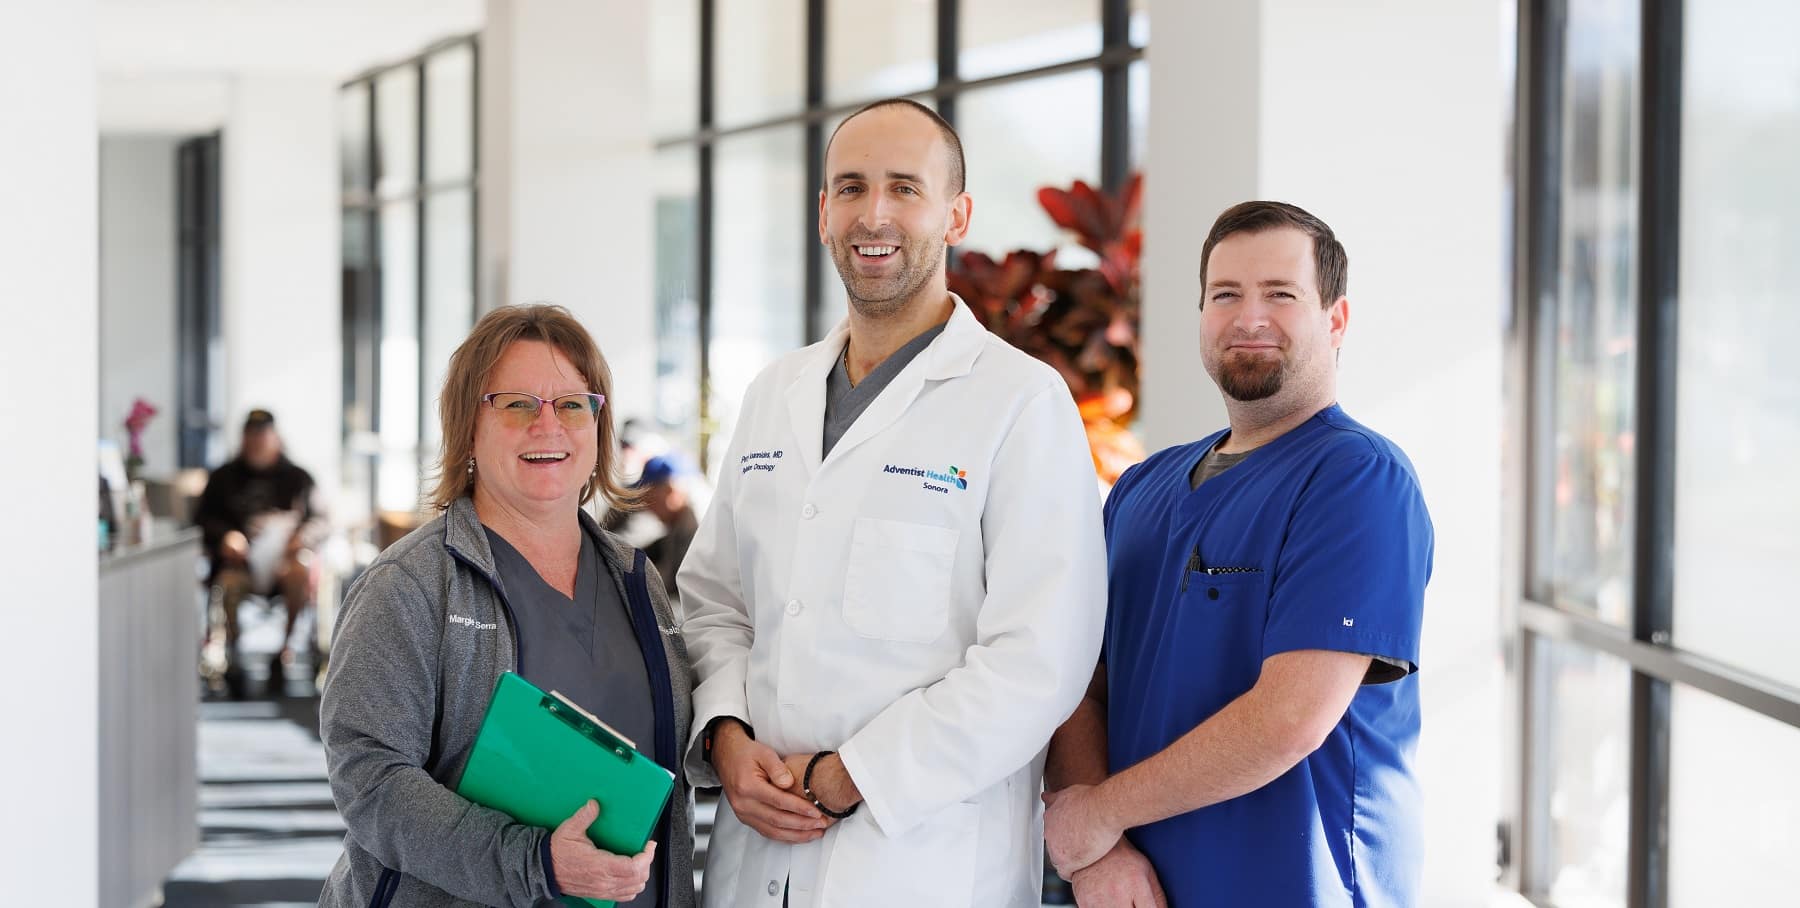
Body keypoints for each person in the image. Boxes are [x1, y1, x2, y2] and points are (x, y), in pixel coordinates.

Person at [679, 97, 1107, 907]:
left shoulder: (1020, 401)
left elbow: (1039, 660)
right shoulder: (775, 391)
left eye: (905, 188)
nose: (873, 214)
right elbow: (714, 602)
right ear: (823, 214)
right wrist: (727, 738)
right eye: (851, 188)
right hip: (754, 856)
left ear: (957, 216)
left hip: (921, 864)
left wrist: (852, 777)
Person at [1042, 201, 1434, 907]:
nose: (1249, 318)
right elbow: (1076, 683)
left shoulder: (1358, 480)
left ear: (1336, 320)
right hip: (1135, 887)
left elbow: (1290, 718)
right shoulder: (1140, 488)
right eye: (1225, 295)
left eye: (1280, 294)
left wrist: (1098, 816)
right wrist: (1101, 855)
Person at [317, 304, 695, 908]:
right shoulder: (409, 585)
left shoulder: (635, 580)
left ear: (598, 427)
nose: (548, 425)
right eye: (517, 404)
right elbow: (371, 780)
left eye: (572, 405)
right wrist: (534, 863)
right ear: (468, 427)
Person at [192, 409, 328, 693]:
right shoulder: (223, 477)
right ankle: (234, 653)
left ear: (275, 438)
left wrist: (301, 538)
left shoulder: (299, 479)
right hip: (240, 564)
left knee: (300, 573)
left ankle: (284, 650)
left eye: (263, 436)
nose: (257, 442)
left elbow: (322, 520)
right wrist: (226, 536)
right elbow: (202, 518)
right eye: (251, 436)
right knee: (228, 585)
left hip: (285, 563)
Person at [635, 455, 698, 600]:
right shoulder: (677, 529)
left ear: (671, 492)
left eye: (650, 497)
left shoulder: (694, 535)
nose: (647, 506)